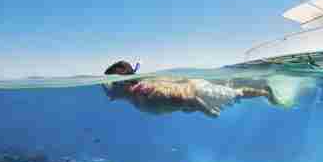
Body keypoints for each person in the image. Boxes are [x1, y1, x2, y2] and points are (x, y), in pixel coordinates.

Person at [101, 61, 280, 117]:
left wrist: (207, 112)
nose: (105, 89)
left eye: (108, 84)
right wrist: (185, 107)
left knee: (236, 94)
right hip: (190, 94)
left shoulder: (148, 94)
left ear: (122, 84)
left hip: (199, 93)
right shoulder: (136, 97)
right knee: (232, 93)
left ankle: (265, 91)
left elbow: (190, 98)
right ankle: (229, 84)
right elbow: (180, 102)